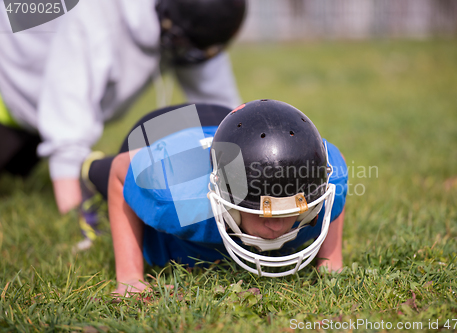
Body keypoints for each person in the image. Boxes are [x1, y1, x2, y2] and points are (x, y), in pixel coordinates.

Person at [0, 0, 246, 214]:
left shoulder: (198, 24)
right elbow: (67, 103)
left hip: (40, 111)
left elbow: (223, 109)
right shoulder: (95, 13)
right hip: (9, 88)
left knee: (20, 170)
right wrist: (76, 216)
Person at [82, 100, 348, 295]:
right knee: (104, 173)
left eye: (286, 211)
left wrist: (329, 262)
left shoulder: (325, 180)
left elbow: (336, 172)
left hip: (228, 122)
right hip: (165, 128)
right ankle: (87, 167)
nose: (276, 227)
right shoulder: (177, 196)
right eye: (263, 212)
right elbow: (120, 170)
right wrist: (129, 278)